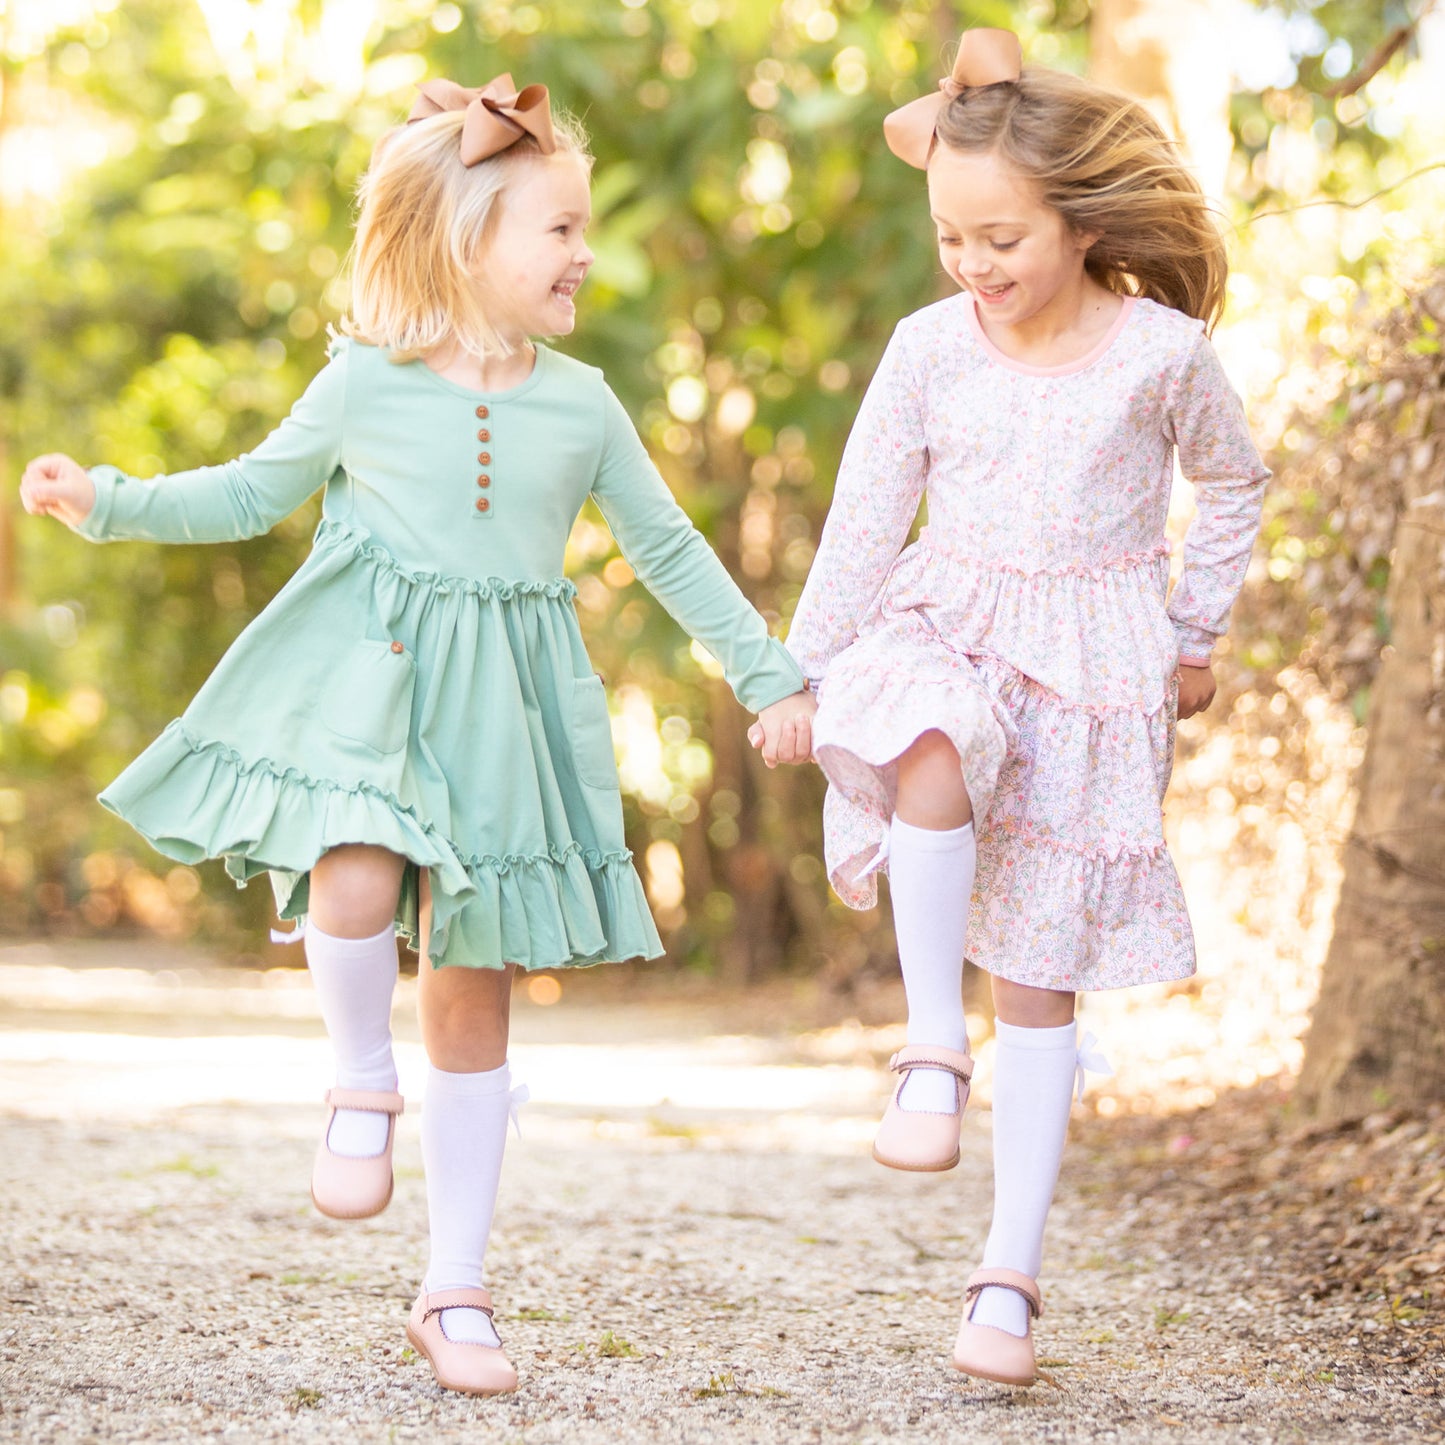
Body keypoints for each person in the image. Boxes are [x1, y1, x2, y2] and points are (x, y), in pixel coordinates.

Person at [20, 73, 814, 1397]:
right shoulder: (364, 383)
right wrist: (105, 500)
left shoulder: (585, 406)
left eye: (581, 227)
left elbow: (670, 553)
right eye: (558, 230)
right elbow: (247, 493)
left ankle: (455, 1286)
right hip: (370, 685)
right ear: (467, 244)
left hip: (506, 712)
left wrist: (770, 675)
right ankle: (354, 1079)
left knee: (474, 987)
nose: (584, 253)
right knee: (351, 867)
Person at [774, 28, 1269, 1386]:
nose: (973, 268)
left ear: (1077, 219)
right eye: (950, 239)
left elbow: (1232, 480)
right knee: (928, 745)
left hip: (1097, 669)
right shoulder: (929, 349)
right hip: (948, 622)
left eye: (999, 238)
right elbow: (866, 515)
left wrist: (1192, 630)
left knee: (1039, 981)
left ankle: (1007, 1272)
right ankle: (929, 1046)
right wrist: (799, 674)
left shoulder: (1159, 355)